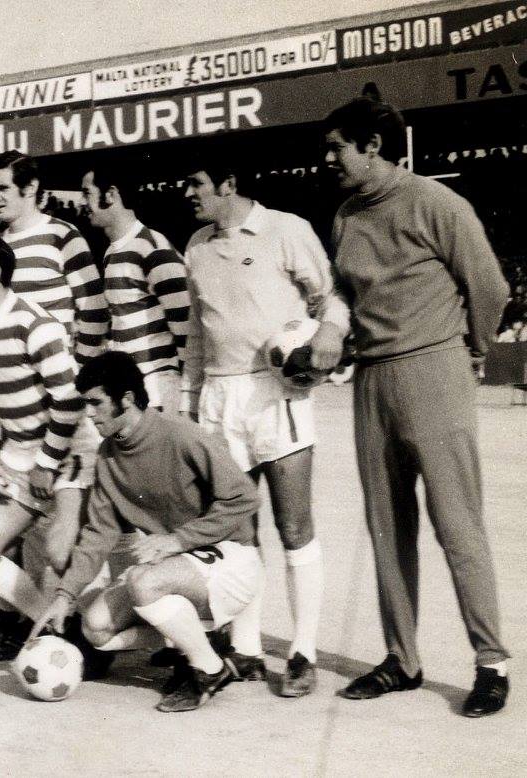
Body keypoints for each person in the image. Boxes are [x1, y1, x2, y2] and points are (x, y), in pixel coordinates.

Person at [323, 97, 511, 717]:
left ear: (373, 146)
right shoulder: (346, 217)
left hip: (434, 367)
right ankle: (401, 659)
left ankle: (490, 663)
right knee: (387, 527)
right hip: (372, 380)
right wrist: (329, 336)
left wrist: (473, 353)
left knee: (458, 524)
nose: (328, 160)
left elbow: (489, 287)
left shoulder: (437, 203)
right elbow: (345, 294)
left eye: (337, 148)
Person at [181, 157, 350, 697]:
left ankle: (302, 652)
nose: (188, 192)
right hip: (218, 395)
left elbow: (332, 298)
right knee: (236, 529)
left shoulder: (287, 230)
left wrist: (320, 340)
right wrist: (191, 404)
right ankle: (247, 649)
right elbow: (196, 335)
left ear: (229, 183)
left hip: (277, 390)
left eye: (197, 182)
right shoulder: (197, 247)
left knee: (294, 526)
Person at [36, 351, 261, 712]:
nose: (89, 415)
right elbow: (98, 535)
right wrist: (64, 596)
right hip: (177, 567)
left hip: (232, 559)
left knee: (143, 581)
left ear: (126, 399)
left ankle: (209, 668)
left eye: (96, 403)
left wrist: (177, 540)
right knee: (95, 627)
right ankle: (194, 642)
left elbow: (245, 498)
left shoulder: (181, 435)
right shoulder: (107, 458)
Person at [0, 231, 91, 660]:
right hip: (16, 452)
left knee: (58, 549)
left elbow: (69, 403)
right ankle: (47, 625)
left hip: (69, 450)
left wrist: (47, 463)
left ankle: (82, 629)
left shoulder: (37, 324)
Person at [0, 150, 108, 368]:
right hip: (12, 385)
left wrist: (81, 370)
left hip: (59, 382)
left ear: (30, 188)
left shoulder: (63, 236)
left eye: (2, 188)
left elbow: (95, 311)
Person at [80, 166, 190, 411]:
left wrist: (186, 396)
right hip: (131, 386)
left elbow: (186, 327)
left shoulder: (153, 248)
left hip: (159, 387)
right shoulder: (112, 252)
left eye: (87, 193)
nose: (82, 201)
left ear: (110, 195)